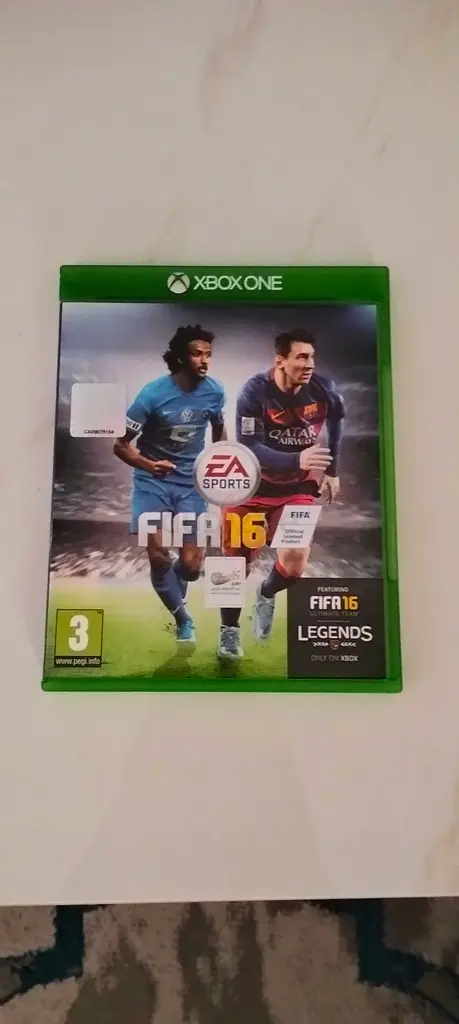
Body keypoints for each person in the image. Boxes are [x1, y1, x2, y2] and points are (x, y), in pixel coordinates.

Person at [218, 329, 345, 660]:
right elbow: (249, 446)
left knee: (295, 561)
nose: (310, 364)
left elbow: (337, 422)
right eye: (302, 357)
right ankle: (229, 631)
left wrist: (332, 471)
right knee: (234, 567)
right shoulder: (254, 392)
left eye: (312, 357)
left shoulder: (324, 390)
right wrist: (296, 459)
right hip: (248, 488)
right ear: (280, 361)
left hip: (296, 489)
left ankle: (266, 592)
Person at [114, 325, 226, 644]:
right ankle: (183, 620)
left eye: (208, 354)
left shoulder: (216, 392)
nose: (204, 360)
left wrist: (220, 466)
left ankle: (177, 580)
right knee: (159, 556)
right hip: (153, 482)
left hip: (191, 483)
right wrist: (150, 465)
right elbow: (120, 445)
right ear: (180, 358)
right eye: (197, 354)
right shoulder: (151, 395)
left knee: (191, 567)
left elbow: (219, 433)